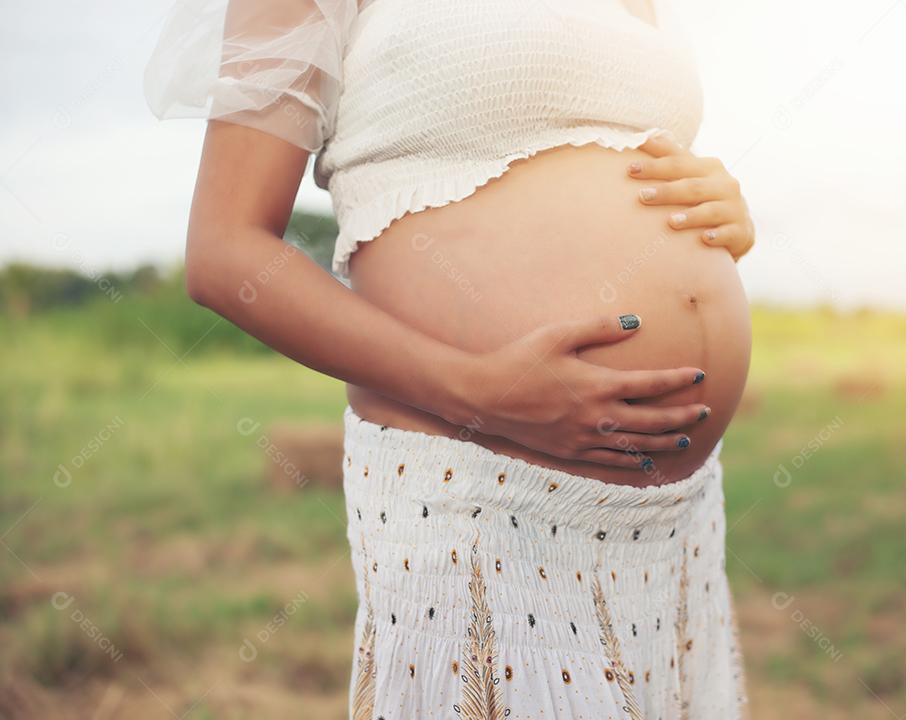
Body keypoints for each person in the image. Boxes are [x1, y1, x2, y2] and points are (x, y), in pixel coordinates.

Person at [146, 0, 754, 716]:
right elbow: (226, 250)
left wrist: (722, 208)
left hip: (673, 526)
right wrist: (475, 391)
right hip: (480, 489)